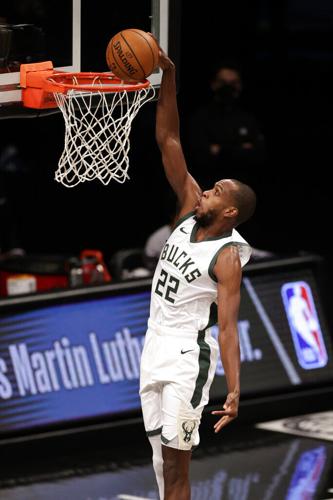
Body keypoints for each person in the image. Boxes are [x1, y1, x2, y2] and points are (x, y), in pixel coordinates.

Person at [139, 43, 257, 500]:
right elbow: (169, 138)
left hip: (189, 359)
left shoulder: (228, 255)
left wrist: (235, 389)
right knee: (158, 464)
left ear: (229, 211)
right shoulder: (190, 210)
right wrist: (167, 73)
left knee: (176, 468)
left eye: (216, 190)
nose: (206, 189)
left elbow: (228, 329)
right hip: (154, 346)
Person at [185, 59, 266, 188]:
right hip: (208, 187)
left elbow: (258, 156)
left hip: (243, 188)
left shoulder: (248, 119)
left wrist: (219, 150)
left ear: (240, 85)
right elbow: (200, 157)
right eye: (223, 82)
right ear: (213, 84)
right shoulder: (200, 117)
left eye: (233, 83)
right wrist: (240, 149)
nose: (228, 87)